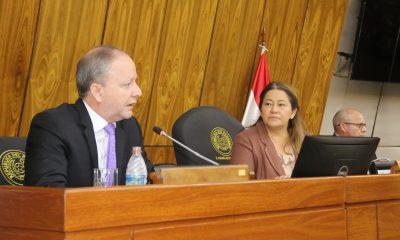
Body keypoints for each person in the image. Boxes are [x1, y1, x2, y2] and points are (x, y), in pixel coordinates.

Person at [24, 46, 153, 187]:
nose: (138, 92)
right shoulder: (54, 126)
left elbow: (147, 179)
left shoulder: (130, 127)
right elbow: (50, 195)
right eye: (127, 84)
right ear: (98, 91)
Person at [231, 81, 305, 179]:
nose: (274, 110)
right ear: (261, 111)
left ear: (293, 112)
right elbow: (240, 186)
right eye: (268, 104)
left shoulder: (306, 140)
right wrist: (273, 187)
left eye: (281, 105)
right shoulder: (245, 140)